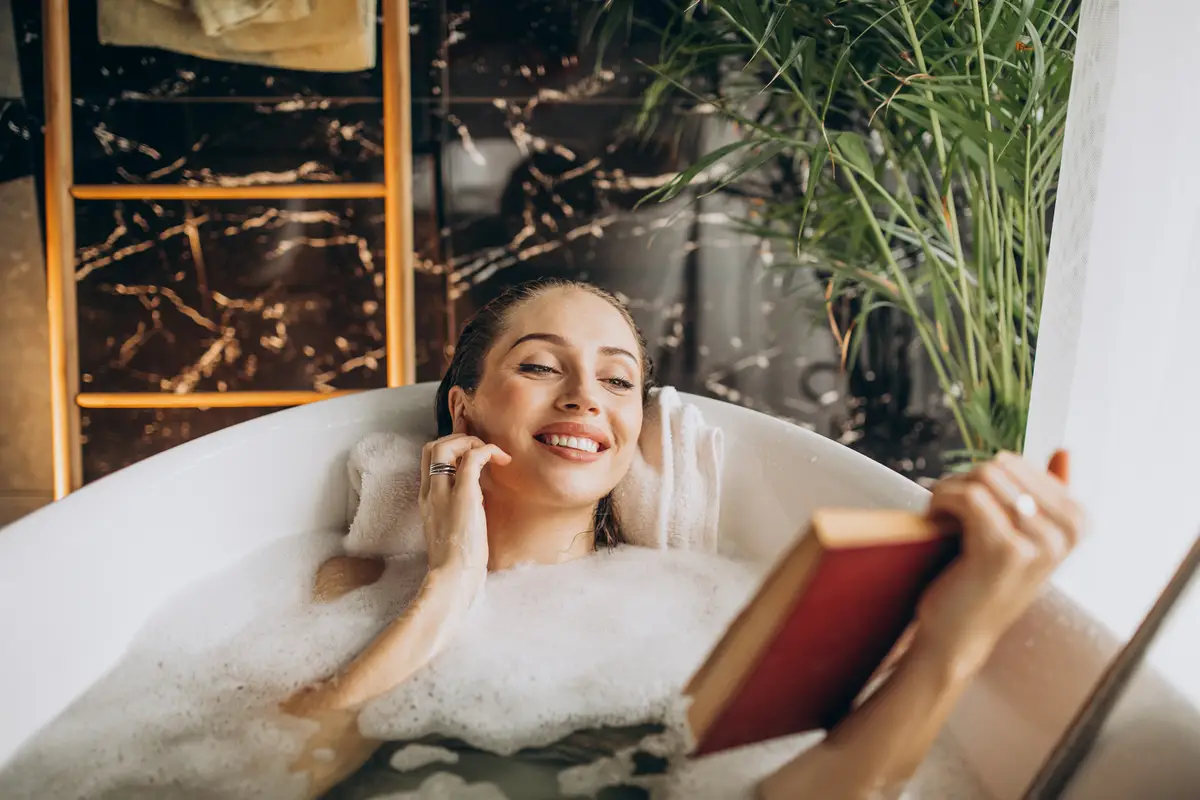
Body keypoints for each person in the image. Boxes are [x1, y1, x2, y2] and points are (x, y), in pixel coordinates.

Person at [281, 278, 1084, 799]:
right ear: (463, 412)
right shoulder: (362, 584)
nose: (584, 398)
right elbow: (268, 766)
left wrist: (949, 642)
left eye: (619, 379)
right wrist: (454, 579)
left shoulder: (682, 606)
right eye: (539, 367)